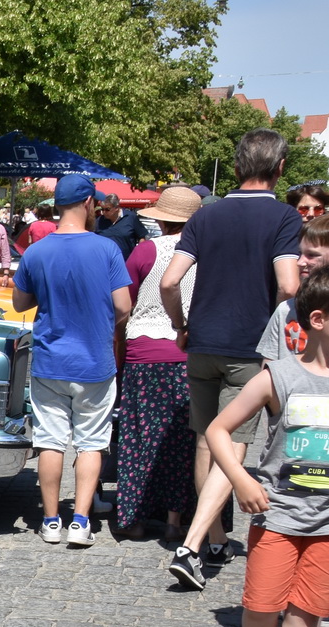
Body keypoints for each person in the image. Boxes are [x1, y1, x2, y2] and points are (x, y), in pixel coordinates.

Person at [205, 267, 329, 627]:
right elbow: (218, 429)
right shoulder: (279, 376)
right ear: (318, 319)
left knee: (308, 611)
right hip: (280, 515)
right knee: (262, 604)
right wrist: (241, 479)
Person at [161, 128, 304, 590]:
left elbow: (169, 281)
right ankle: (192, 546)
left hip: (202, 341)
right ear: (280, 167)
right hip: (248, 348)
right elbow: (288, 284)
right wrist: (279, 336)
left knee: (209, 441)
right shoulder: (284, 217)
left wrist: (180, 325)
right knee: (235, 446)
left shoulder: (206, 215)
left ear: (238, 165)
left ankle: (216, 539)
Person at [12, 174, 134, 546]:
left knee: (50, 441)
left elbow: (20, 303)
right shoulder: (107, 249)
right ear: (87, 203)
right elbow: (123, 306)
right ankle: (80, 522)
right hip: (94, 360)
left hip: (50, 360)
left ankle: (50, 521)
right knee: (91, 442)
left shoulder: (36, 251)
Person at [256, 212, 329, 625]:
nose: (301, 261)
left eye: (312, 254)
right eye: (301, 253)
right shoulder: (289, 309)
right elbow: (270, 369)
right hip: (294, 469)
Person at [115, 185, 204, 541]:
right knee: (183, 440)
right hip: (188, 353)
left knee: (139, 437)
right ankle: (174, 519)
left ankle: (135, 516)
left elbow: (124, 303)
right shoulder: (207, 253)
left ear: (162, 220)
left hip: (144, 354)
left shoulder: (146, 250)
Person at [94, 193, 144, 260]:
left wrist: (139, 255)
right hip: (105, 261)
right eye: (102, 209)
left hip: (127, 262)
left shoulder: (131, 217)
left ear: (116, 208)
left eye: (107, 209)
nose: (103, 212)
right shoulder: (99, 221)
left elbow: (142, 237)